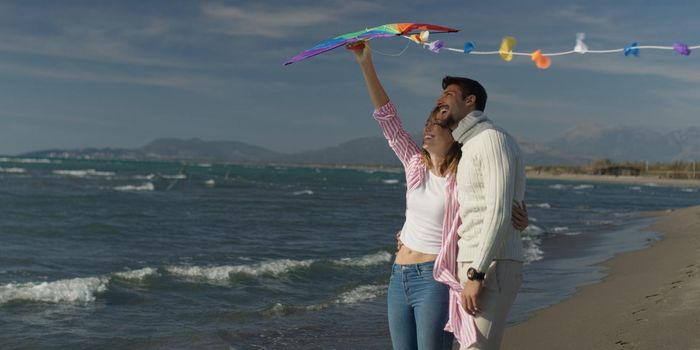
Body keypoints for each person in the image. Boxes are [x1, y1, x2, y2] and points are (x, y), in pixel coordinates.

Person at [348, 41, 528, 350]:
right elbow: (388, 121)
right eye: (426, 125)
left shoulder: (463, 175)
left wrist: (520, 220)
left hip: (436, 278)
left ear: (453, 135)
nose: (428, 129)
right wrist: (366, 64)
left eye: (436, 125)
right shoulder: (414, 165)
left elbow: (491, 205)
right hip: (398, 274)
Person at [435, 75, 527, 349]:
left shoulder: (491, 139)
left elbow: (498, 211)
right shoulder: (470, 144)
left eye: (449, 94)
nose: (440, 100)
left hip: (491, 264)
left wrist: (477, 274)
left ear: (470, 101)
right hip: (478, 262)